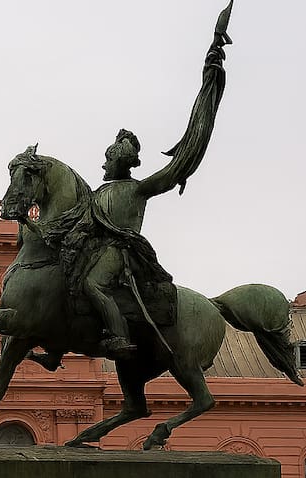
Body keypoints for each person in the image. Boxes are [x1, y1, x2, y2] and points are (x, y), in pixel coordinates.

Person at [50, 3, 233, 359]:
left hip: (121, 255)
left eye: (112, 156)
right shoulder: (97, 193)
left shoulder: (138, 189)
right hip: (94, 251)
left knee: (91, 283)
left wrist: (209, 83)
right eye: (106, 156)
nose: (106, 161)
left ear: (126, 161)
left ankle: (118, 334)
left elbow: (182, 160)